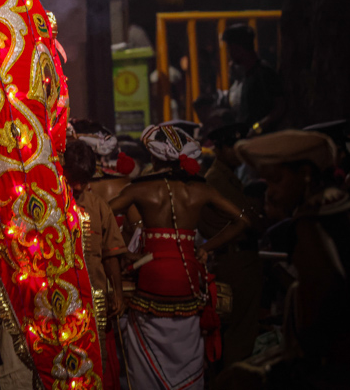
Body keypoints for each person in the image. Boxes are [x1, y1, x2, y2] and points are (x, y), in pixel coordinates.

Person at [220, 130, 350, 389]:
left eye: (276, 181)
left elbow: (325, 289)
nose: (270, 193)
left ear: (305, 173)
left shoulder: (311, 220)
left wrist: (289, 364)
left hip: (339, 354)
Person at [109, 124, 251, 390]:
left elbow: (100, 215)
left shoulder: (139, 189)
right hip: (188, 280)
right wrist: (208, 248)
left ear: (154, 157)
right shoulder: (200, 189)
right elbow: (243, 220)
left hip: (152, 280)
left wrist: (122, 251)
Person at [62, 139, 127, 386]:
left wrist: (117, 293)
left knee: (98, 364)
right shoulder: (52, 205)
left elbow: (110, 253)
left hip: (95, 298)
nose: (78, 186)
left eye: (83, 180)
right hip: (61, 302)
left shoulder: (98, 206)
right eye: (73, 179)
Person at [199, 123, 263, 370]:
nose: (239, 152)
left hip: (236, 257)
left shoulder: (228, 177)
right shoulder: (217, 179)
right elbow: (249, 220)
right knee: (240, 332)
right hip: (236, 259)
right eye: (233, 147)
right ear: (220, 149)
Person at [220, 24, 285, 136]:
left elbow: (280, 107)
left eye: (229, 48)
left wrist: (258, 128)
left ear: (238, 48)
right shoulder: (247, 75)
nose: (229, 54)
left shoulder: (264, 73)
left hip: (263, 140)